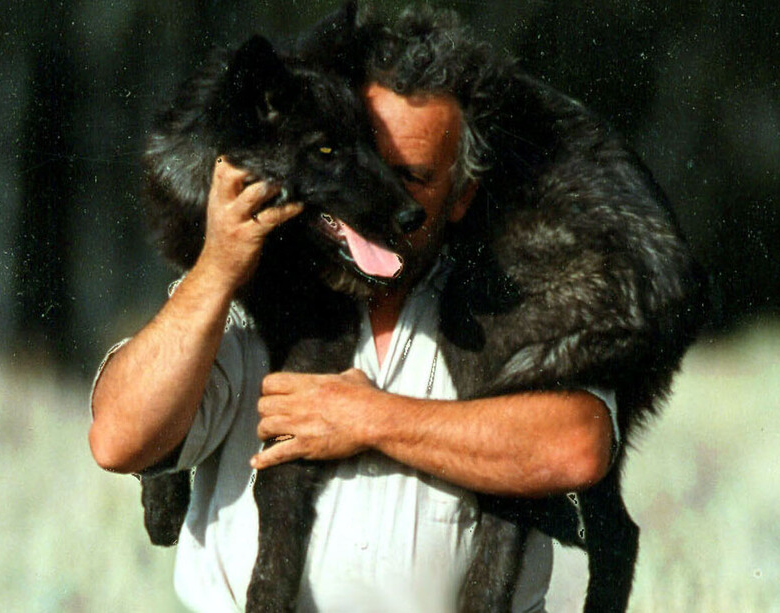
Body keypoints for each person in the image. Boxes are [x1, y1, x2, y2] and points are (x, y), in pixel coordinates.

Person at [89, 8, 617, 612]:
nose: (381, 197)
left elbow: (577, 445)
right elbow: (117, 440)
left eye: (412, 177)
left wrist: (371, 420)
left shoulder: (508, 298)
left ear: (462, 194)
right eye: (361, 157)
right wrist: (214, 272)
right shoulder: (234, 292)